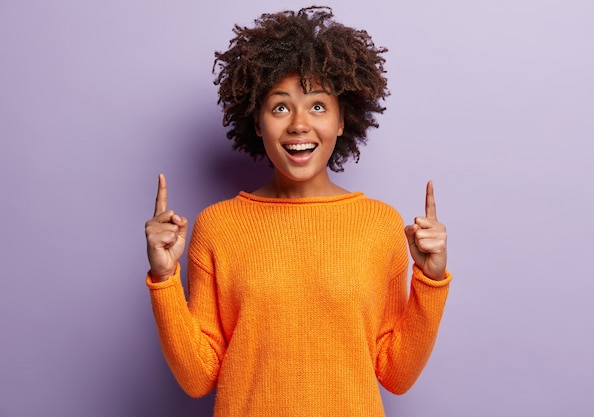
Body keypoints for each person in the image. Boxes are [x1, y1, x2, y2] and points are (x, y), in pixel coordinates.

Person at [144, 5, 451, 416]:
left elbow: (396, 373)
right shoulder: (218, 226)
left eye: (319, 106)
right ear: (257, 122)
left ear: (343, 121)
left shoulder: (379, 225)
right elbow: (198, 377)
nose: (299, 125)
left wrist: (430, 282)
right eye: (281, 107)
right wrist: (164, 280)